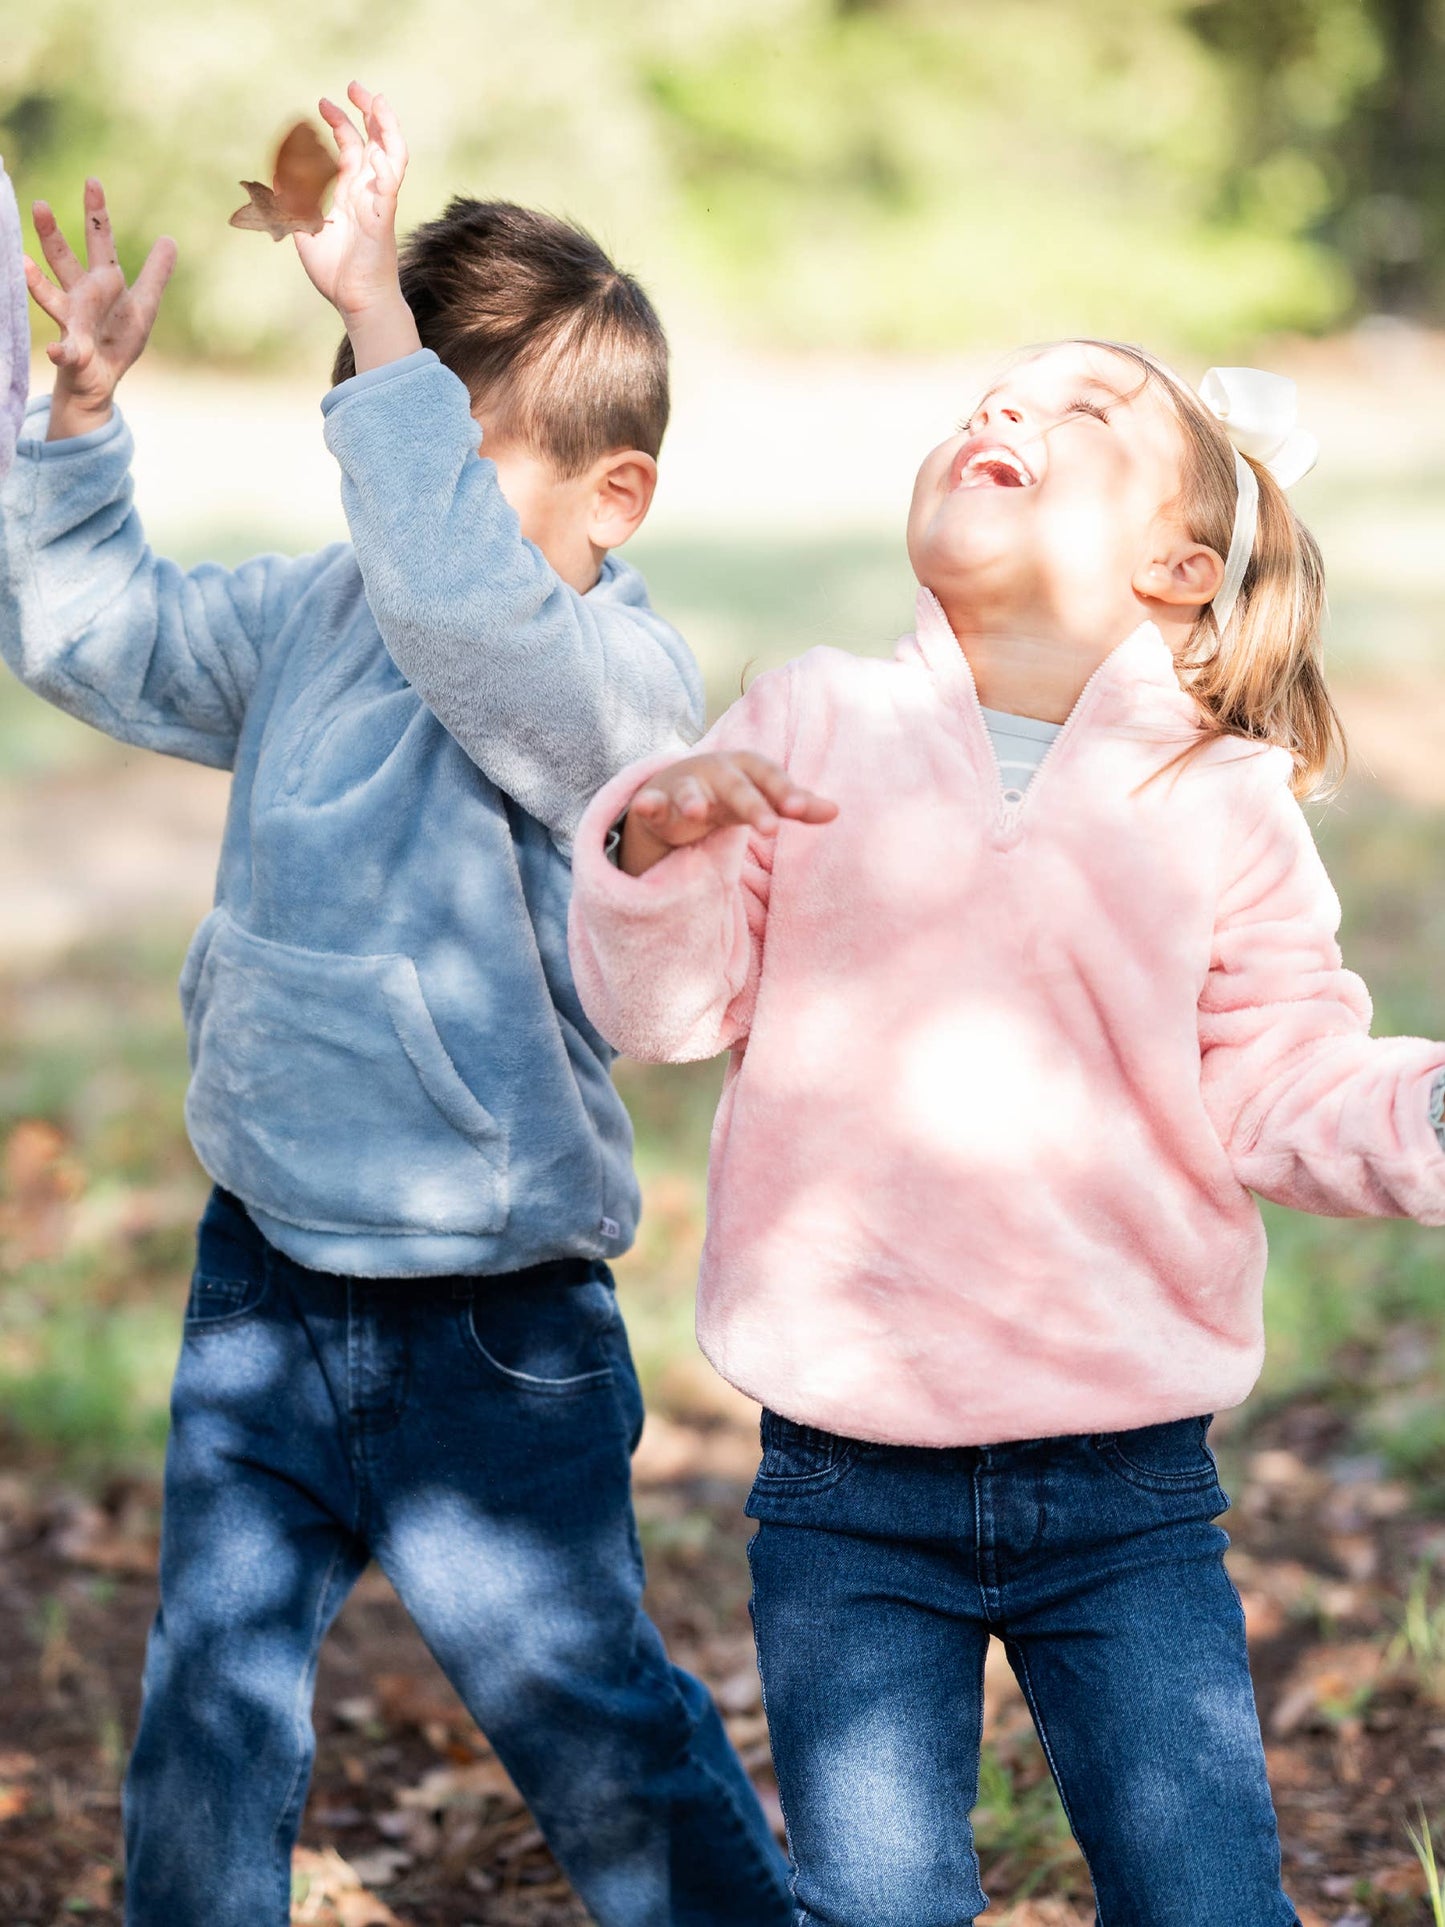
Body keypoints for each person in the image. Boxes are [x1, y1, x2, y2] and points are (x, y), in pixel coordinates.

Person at [4, 82, 792, 1927]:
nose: (391, 491)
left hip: (486, 1322)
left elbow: (475, 624)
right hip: (265, 1274)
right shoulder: (315, 618)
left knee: (592, 1725)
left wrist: (372, 332)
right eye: (373, 440)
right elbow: (87, 636)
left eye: (440, 445)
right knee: (207, 1701)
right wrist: (79, 427)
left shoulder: (613, 682)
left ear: (615, 497)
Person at [565, 336, 1445, 1926]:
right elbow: (671, 1014)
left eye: (1079, 410)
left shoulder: (1219, 797)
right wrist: (656, 850)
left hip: (1124, 1486)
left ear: (1177, 565)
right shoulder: (808, 721)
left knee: (1205, 1901)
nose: (1003, 410)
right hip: (845, 1482)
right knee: (879, 1905)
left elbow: (1279, 1080)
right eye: (995, 395)